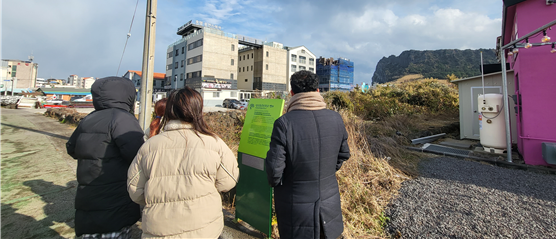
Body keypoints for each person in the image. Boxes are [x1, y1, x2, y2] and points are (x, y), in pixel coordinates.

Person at [127, 87, 239, 239]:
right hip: (204, 227)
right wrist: (205, 188)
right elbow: (229, 181)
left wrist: (156, 199)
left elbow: (135, 190)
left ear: (169, 111)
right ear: (198, 110)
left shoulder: (149, 146)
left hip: (159, 230)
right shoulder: (213, 143)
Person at [266, 70, 351, 239]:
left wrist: (280, 183)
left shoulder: (284, 124)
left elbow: (274, 170)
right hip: (329, 202)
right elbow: (344, 154)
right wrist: (324, 172)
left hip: (295, 206)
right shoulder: (336, 118)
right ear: (318, 91)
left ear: (292, 93)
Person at [66, 76, 145, 239]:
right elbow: (138, 155)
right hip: (114, 195)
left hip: (88, 192)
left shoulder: (88, 119)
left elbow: (71, 148)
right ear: (127, 96)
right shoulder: (123, 119)